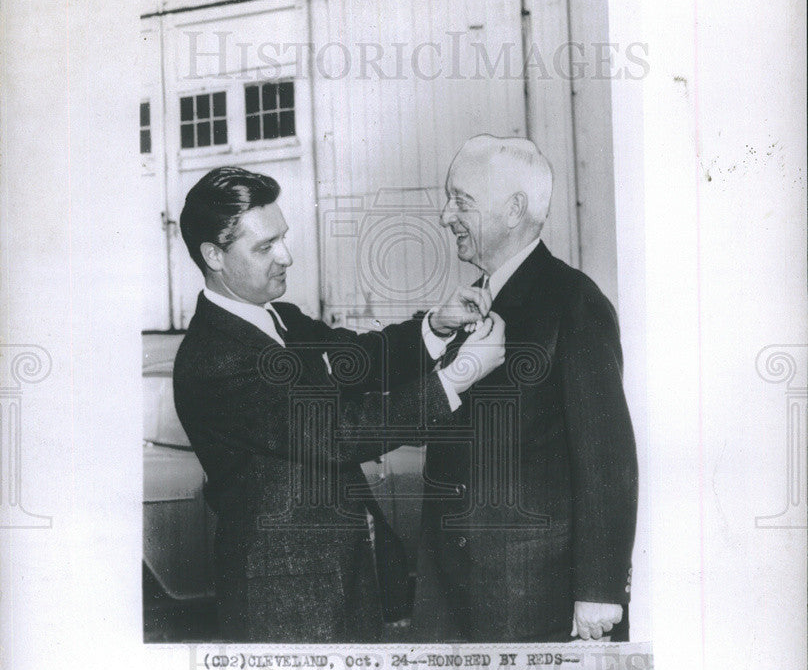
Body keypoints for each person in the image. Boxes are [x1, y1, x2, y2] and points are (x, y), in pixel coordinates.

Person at [172, 166, 504, 642]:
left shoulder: (280, 318)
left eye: (282, 238)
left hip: (339, 575)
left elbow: (358, 358)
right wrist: (458, 375)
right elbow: (334, 433)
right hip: (285, 598)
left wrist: (437, 325)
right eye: (265, 247)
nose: (287, 256)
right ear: (214, 256)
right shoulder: (214, 358)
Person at [411, 135, 638, 642]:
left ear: (514, 210)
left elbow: (607, 457)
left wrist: (600, 589)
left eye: (461, 200)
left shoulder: (574, 302)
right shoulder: (474, 304)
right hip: (456, 593)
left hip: (534, 597)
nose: (446, 215)